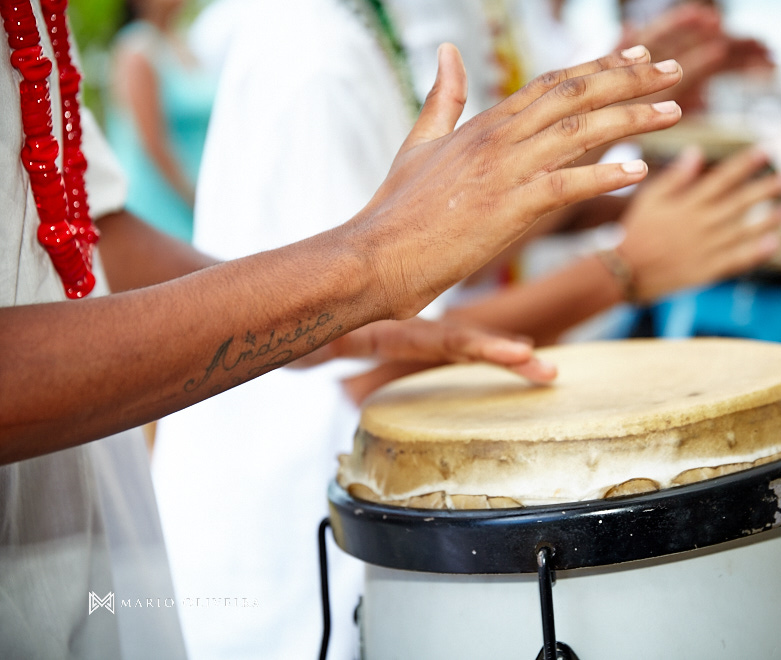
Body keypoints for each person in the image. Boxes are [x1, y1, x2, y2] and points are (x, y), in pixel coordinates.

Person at [0, 0, 684, 654]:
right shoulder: (308, 55)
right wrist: (364, 270)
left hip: (99, 529)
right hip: (265, 549)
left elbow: (83, 231)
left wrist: (341, 314)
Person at [151, 1, 781, 659]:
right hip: (293, 549)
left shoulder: (388, 27)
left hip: (365, 508)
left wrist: (617, 161)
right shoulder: (311, 55)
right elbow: (365, 354)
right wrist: (623, 270)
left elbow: (446, 240)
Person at [106, 0, 216, 242]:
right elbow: (154, 144)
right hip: (161, 201)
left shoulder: (183, 43)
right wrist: (197, 198)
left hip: (197, 194)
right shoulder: (136, 49)